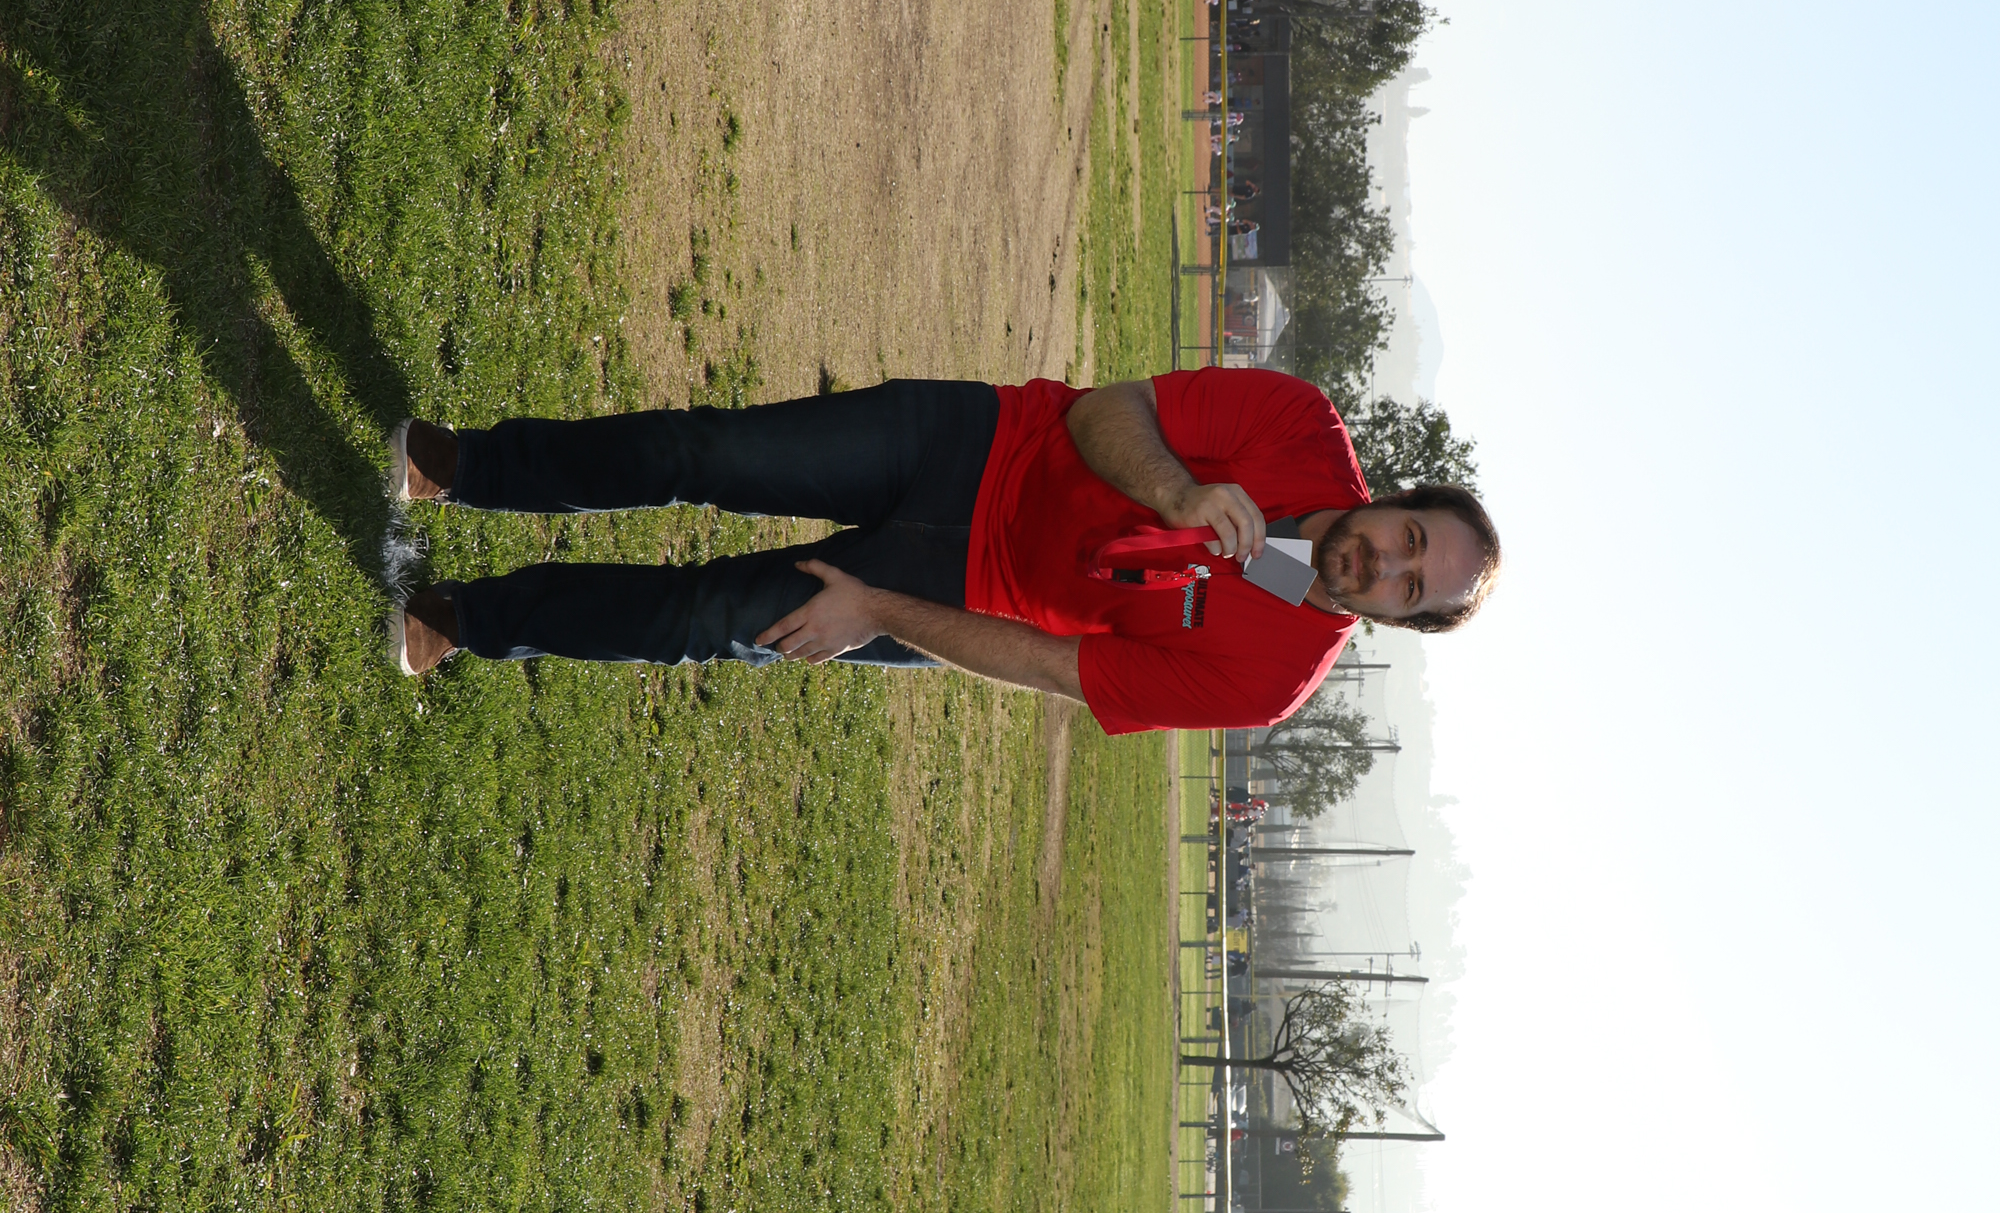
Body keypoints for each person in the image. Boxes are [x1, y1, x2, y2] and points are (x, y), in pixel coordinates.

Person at [384, 368, 1500, 733]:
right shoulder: (1300, 426)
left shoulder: (1267, 680)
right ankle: (470, 467)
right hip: (974, 444)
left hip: (950, 594)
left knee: (703, 619)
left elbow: (1055, 668)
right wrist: (1179, 488)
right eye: (1407, 539)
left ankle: (467, 620)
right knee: (707, 450)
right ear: (1397, 498)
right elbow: (1103, 410)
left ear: (1395, 623)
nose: (1383, 566)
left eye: (1409, 589)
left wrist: (876, 612)